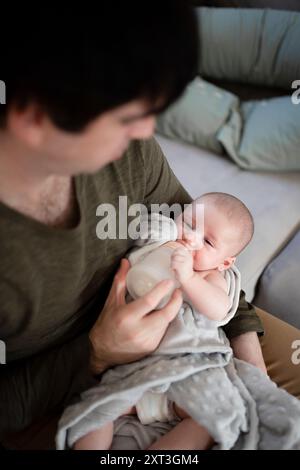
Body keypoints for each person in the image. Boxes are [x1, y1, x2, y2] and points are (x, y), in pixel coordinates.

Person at [0, 4, 299, 449]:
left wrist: (250, 368)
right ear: (35, 120)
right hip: (61, 391)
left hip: (201, 334)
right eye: (126, 117)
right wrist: (96, 352)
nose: (147, 132)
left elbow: (213, 263)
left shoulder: (129, 153)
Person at [72, 192, 255, 450]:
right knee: (97, 408)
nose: (190, 238)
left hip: (185, 375)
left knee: (209, 420)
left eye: (208, 242)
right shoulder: (162, 246)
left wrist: (189, 279)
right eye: (189, 224)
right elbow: (139, 245)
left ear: (225, 262)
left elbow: (218, 308)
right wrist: (159, 234)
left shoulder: (212, 276)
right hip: (137, 371)